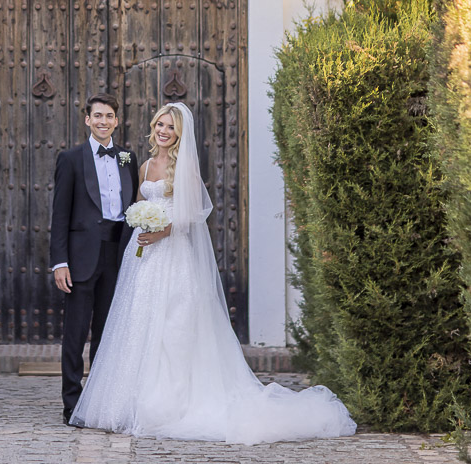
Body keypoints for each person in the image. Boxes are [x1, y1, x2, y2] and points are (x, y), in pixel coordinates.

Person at [70, 102, 357, 444]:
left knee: (173, 325)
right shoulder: (143, 166)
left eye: (170, 127)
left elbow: (195, 214)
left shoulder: (185, 168)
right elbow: (136, 206)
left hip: (173, 255)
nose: (163, 131)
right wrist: (141, 223)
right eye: (160, 124)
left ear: (180, 134)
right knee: (138, 322)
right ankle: (128, 402)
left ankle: (168, 404)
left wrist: (163, 230)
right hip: (142, 258)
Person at [49, 93, 139, 425]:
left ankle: (101, 404)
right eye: (97, 116)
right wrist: (60, 262)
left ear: (117, 121)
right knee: (75, 334)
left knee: (107, 333)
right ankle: (72, 406)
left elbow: (135, 204)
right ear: (88, 120)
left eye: (109, 116)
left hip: (117, 254)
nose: (103, 121)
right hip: (81, 258)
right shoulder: (70, 159)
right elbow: (60, 213)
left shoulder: (128, 158)